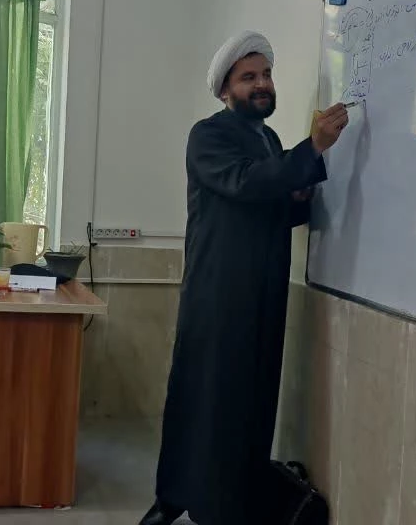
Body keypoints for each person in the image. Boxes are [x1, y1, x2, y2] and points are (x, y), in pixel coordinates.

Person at [140, 31, 350, 525]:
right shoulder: (208, 135)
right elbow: (244, 183)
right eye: (248, 77)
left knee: (251, 403)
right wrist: (312, 150)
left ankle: (231, 502)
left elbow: (270, 207)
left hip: (264, 292)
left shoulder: (268, 140)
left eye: (266, 75)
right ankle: (176, 498)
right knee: (205, 398)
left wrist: (299, 197)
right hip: (219, 292)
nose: (261, 84)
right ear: (225, 90)